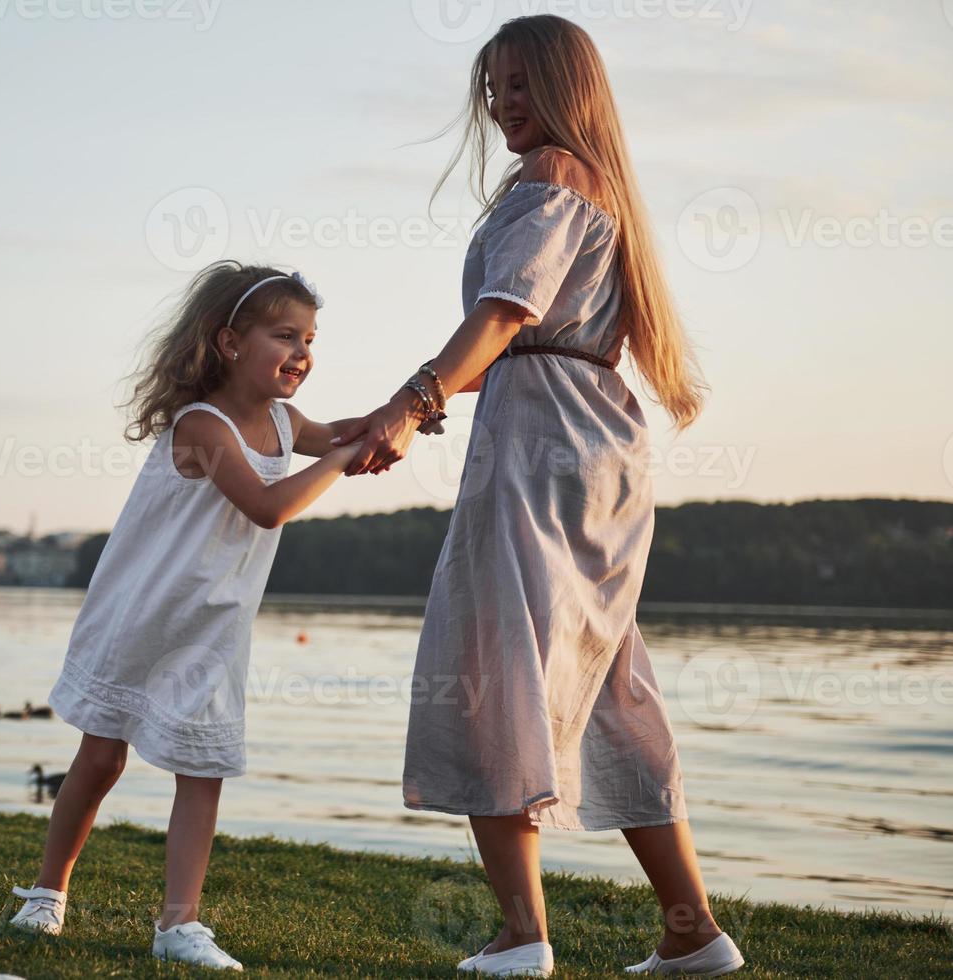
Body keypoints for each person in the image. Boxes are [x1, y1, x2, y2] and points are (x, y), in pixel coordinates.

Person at [330, 15, 744, 978]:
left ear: (565, 89)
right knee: (609, 681)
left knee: (489, 658)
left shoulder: (553, 178)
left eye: (519, 84)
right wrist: (400, 403)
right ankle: (692, 932)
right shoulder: (594, 188)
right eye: (491, 88)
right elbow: (516, 336)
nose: (501, 104)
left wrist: (413, 399)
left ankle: (521, 937)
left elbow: (505, 313)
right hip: (592, 442)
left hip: (545, 450)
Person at [8, 260, 362, 971]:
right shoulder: (202, 424)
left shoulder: (289, 423)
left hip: (212, 628)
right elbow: (267, 507)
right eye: (284, 335)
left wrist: (417, 403)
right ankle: (47, 893)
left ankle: (178, 925)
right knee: (101, 757)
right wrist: (349, 458)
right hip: (142, 615)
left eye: (310, 339)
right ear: (229, 342)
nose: (302, 353)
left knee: (202, 770)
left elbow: (345, 430)